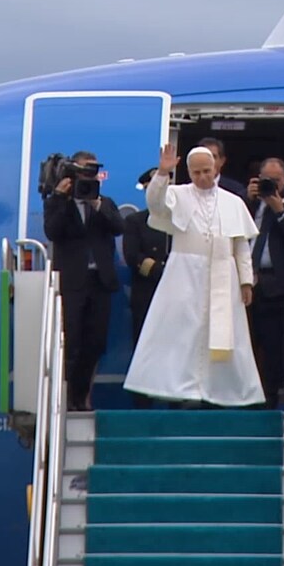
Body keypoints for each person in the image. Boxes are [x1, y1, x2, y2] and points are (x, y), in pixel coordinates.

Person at [122, 144, 265, 407]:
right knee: (180, 332)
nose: (202, 177)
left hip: (223, 276)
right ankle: (180, 390)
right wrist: (162, 174)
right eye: (196, 172)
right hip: (184, 275)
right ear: (189, 172)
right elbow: (155, 204)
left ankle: (219, 392)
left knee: (223, 335)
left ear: (216, 168)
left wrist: (246, 281)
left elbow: (241, 245)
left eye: (207, 171)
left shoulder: (233, 201)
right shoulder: (177, 194)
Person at [43, 151, 125, 411]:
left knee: (95, 342)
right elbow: (52, 232)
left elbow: (118, 227)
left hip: (100, 282)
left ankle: (82, 396)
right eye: (84, 172)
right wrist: (61, 197)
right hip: (72, 283)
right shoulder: (59, 203)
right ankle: (66, 397)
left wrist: (97, 204)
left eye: (93, 172)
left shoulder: (104, 203)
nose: (88, 177)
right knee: (71, 341)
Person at [245, 157, 284, 409]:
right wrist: (249, 199)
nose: (271, 184)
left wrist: (279, 210)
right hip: (244, 279)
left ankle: (269, 397)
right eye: (267, 180)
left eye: (277, 180)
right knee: (244, 340)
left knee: (271, 342)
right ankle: (241, 394)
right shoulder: (247, 201)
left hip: (273, 281)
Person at [122, 167, 173, 409]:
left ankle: (177, 400)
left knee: (177, 347)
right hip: (148, 293)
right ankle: (142, 401)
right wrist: (162, 271)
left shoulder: (180, 219)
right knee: (144, 348)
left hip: (177, 296)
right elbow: (133, 256)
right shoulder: (135, 222)